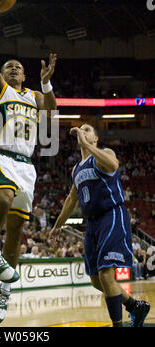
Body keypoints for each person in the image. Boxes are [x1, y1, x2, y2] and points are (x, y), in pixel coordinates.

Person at [0, 0, 57, 324]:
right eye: (9, 66)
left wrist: (47, 83)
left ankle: (4, 291)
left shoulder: (34, 97)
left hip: (26, 165)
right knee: (3, 200)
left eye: (17, 67)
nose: (12, 68)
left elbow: (52, 114)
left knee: (18, 234)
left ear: (25, 74)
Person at [49, 123, 150, 327]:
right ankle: (135, 306)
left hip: (111, 214)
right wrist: (58, 224)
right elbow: (71, 199)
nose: (82, 131)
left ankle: (118, 324)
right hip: (92, 223)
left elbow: (113, 166)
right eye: (81, 130)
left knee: (106, 273)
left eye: (87, 130)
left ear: (95, 138)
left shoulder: (104, 153)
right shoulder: (76, 169)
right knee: (96, 280)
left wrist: (89, 146)